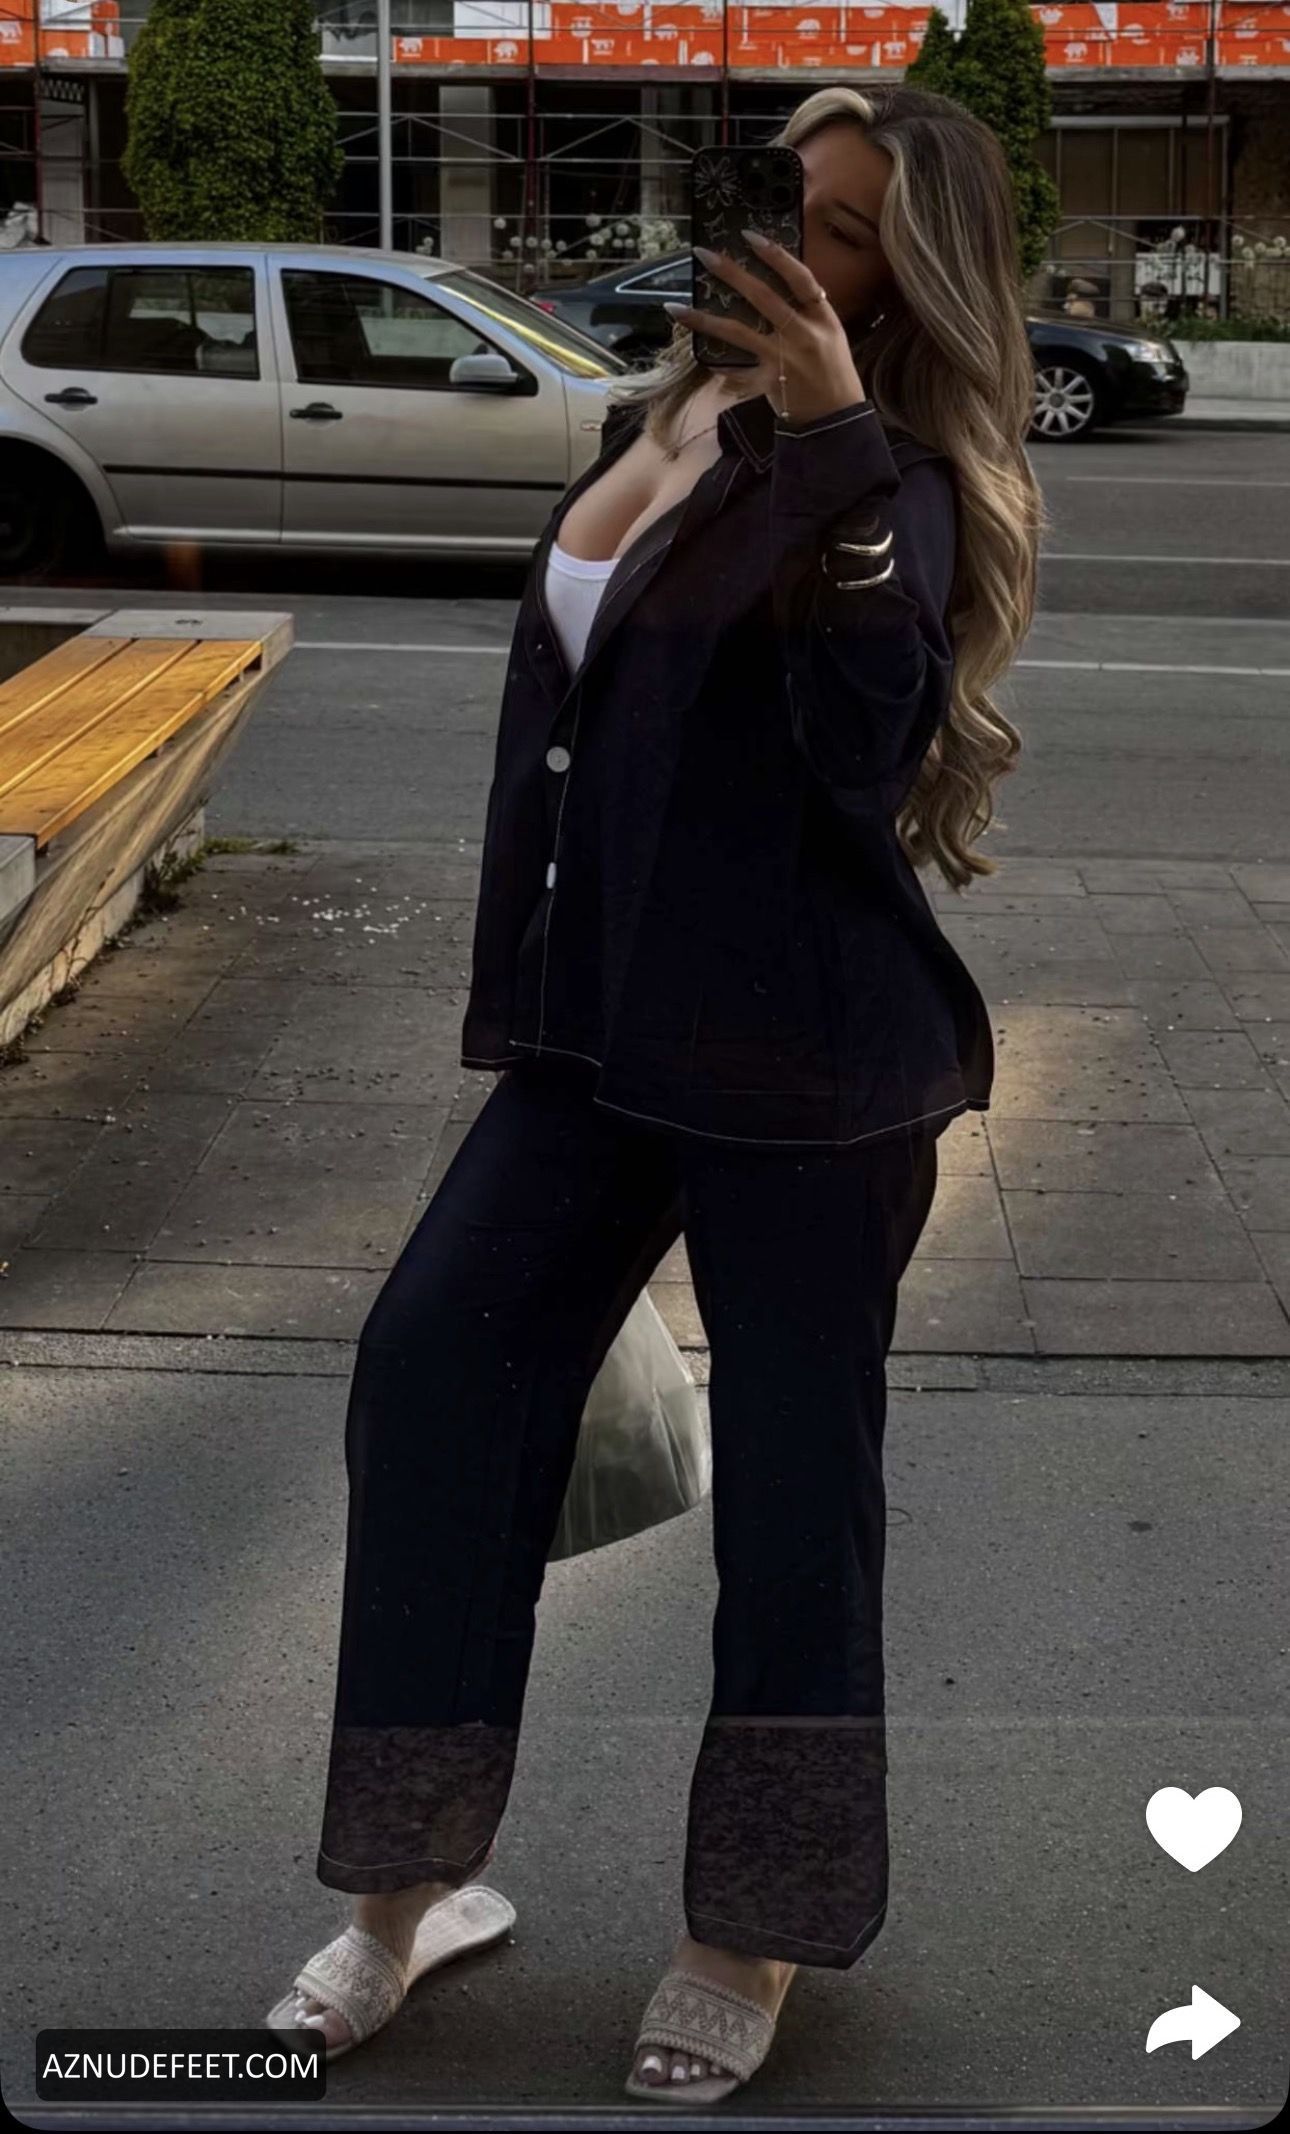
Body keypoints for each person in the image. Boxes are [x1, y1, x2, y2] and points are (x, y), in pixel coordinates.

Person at [266, 80, 1041, 2103]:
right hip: (596, 1041)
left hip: (808, 1066)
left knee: (793, 1505)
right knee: (434, 1374)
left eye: (847, 228)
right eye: (784, 198)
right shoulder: (668, 415)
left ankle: (751, 1922)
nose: (791, 243)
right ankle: (409, 1888)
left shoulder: (890, 475)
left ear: (911, 280)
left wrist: (838, 438)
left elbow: (866, 746)